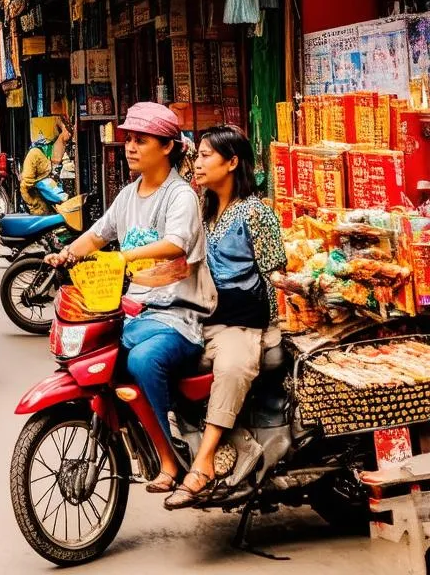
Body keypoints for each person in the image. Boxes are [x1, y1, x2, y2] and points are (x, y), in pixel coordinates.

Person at [45, 102, 216, 493]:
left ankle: (169, 458)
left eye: (142, 140)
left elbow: (175, 245)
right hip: (138, 313)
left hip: (179, 316)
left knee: (141, 359)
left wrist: (124, 257)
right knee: (96, 356)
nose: (131, 147)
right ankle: (141, 438)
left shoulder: (180, 197)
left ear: (168, 147)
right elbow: (97, 234)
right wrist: (69, 253)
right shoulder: (127, 195)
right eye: (129, 139)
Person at [164, 126, 286, 509]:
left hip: (245, 324)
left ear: (232, 162)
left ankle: (203, 464)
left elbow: (274, 272)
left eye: (206, 156)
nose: (197, 163)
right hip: (203, 319)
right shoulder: (203, 209)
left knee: (232, 368)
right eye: (196, 155)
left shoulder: (255, 211)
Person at [20, 119, 71, 215]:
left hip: (47, 199)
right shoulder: (34, 154)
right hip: (38, 203)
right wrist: (33, 204)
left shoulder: (46, 153)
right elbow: (25, 185)